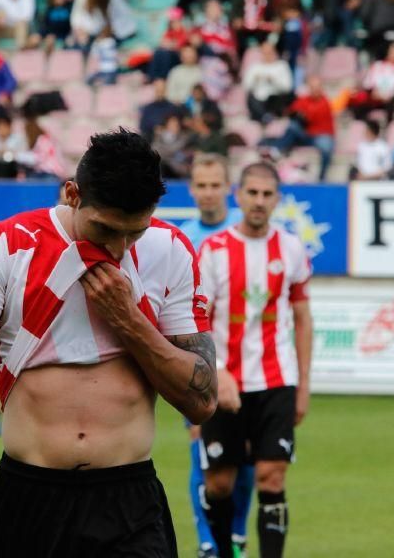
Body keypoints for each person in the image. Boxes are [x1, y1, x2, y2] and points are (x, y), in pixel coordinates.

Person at [0, 129, 217, 556]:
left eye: (133, 233)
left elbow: (202, 400)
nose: (117, 249)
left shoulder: (170, 250)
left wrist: (129, 320)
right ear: (72, 194)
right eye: (105, 229)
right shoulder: (9, 245)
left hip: (128, 504)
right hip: (29, 498)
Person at [198, 161, 313, 558]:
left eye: (267, 194)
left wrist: (303, 386)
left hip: (277, 379)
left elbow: (301, 317)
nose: (259, 201)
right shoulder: (213, 251)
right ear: (238, 195)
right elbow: (198, 320)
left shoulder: (292, 248)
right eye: (253, 193)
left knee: (271, 477)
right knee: (219, 484)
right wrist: (215, 371)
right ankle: (225, 552)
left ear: (277, 199)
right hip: (225, 381)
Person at [180, 155, 253, 558]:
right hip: (201, 360)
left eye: (215, 185)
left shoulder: (245, 235)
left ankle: (237, 535)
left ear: (229, 188)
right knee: (201, 447)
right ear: (192, 189)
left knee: (246, 456)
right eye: (201, 185)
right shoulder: (184, 237)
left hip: (252, 363)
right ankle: (209, 541)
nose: (208, 192)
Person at [258, 76, 335, 181]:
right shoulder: (304, 99)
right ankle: (277, 151)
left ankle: (322, 177)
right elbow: (291, 111)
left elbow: (310, 116)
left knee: (326, 146)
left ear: (321, 88)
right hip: (306, 134)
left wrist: (301, 114)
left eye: (317, 87)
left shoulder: (325, 102)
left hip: (320, 135)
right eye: (312, 87)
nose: (315, 90)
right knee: (292, 127)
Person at [243, 42, 293, 123]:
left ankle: (266, 117)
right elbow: (246, 86)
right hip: (258, 100)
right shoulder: (254, 67)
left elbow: (288, 87)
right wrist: (255, 80)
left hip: (275, 98)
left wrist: (273, 81)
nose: (267, 55)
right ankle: (265, 116)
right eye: (264, 53)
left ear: (275, 52)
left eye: (270, 52)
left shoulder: (282, 65)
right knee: (251, 98)